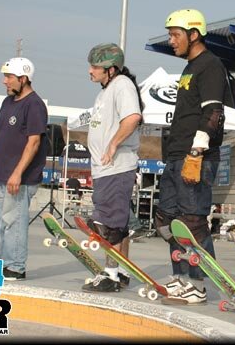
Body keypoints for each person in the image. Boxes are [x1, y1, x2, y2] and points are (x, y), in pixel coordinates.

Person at [154, 9, 228, 305]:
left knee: (193, 221)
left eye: (176, 35)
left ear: (194, 34)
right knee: (168, 219)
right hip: (175, 154)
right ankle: (180, 277)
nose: (171, 41)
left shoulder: (210, 65)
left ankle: (197, 283)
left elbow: (213, 112)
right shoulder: (189, 68)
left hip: (195, 155)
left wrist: (196, 151)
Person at [81, 43, 143, 292]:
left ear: (111, 69)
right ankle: (122, 270)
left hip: (116, 167)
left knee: (110, 224)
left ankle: (110, 275)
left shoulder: (122, 85)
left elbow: (132, 118)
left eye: (95, 66)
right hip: (106, 169)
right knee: (119, 221)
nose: (90, 71)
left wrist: (113, 145)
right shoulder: (105, 91)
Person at [0, 57, 48, 280]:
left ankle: (16, 266)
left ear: (23, 78)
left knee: (14, 221)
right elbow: (3, 137)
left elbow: (34, 142)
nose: (4, 81)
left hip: (21, 177)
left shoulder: (35, 105)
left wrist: (18, 172)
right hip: (2, 174)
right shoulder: (7, 102)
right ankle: (4, 258)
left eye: (9, 77)